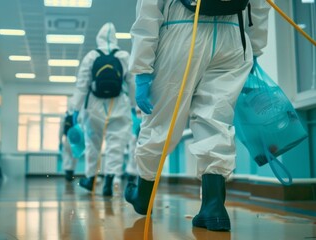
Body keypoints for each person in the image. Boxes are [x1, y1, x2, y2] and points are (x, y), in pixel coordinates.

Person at [124, 0, 270, 231]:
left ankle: (144, 197)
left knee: (161, 122)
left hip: (182, 31)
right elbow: (260, 6)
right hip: (234, 39)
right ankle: (214, 207)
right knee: (216, 120)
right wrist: (255, 49)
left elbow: (149, 11)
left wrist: (142, 67)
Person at [71, 22, 136, 196]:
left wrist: (75, 109)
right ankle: (108, 182)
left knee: (93, 144)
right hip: (119, 104)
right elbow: (132, 84)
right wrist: (134, 108)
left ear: (98, 37)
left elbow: (82, 85)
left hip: (94, 105)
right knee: (116, 145)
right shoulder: (124, 56)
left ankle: (90, 179)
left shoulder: (91, 56)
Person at [59, 110, 78, 182]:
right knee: (74, 158)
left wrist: (60, 142)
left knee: (67, 157)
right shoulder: (78, 116)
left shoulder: (65, 117)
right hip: (76, 140)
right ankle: (70, 174)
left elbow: (61, 131)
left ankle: (68, 175)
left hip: (68, 139)